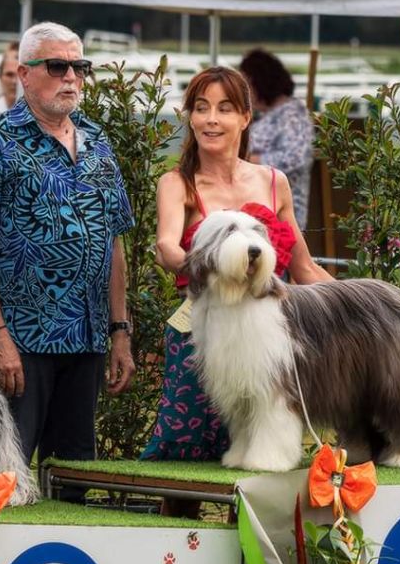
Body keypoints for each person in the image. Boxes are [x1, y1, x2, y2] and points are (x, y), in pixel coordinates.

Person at [0, 22, 135, 502]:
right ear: (24, 75)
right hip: (20, 339)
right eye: (57, 66)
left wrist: (120, 330)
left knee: (73, 476)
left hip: (88, 337)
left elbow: (113, 240)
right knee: (1, 478)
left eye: (79, 67)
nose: (71, 77)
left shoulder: (97, 141)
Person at [141, 66, 331, 473]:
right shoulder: (178, 183)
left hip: (265, 338)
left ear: (245, 117)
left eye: (225, 108)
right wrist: (198, 264)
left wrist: (359, 302)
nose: (211, 119)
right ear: (190, 117)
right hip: (200, 334)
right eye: (201, 107)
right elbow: (166, 246)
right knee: (186, 459)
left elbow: (304, 267)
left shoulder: (273, 181)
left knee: (259, 454)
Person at [238, 48, 316, 230]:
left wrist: (250, 160)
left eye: (247, 85)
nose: (245, 93)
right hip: (258, 210)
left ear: (260, 82)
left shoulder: (292, 114)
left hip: (282, 213)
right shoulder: (266, 115)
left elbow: (295, 157)